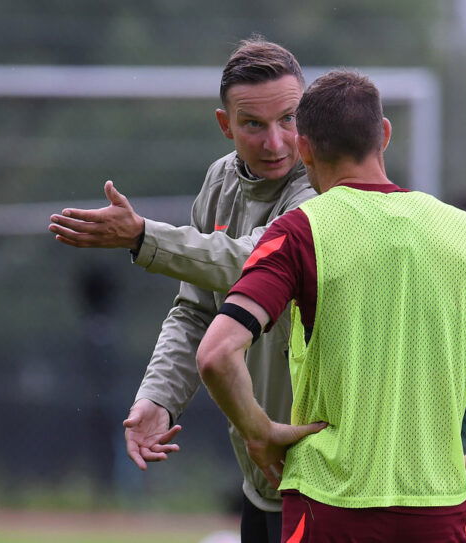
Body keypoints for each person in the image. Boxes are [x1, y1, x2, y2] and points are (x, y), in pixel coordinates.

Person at [195, 70, 466, 542]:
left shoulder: (300, 232)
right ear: (385, 136)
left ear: (304, 148)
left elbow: (216, 354)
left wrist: (259, 432)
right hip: (437, 510)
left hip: (327, 506)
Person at [49, 37, 316, 542]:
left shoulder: (319, 184)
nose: (276, 142)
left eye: (289, 119)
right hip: (261, 469)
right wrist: (159, 397)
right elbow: (196, 310)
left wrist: (143, 236)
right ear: (225, 125)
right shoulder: (219, 181)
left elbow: (261, 260)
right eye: (254, 124)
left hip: (318, 470)